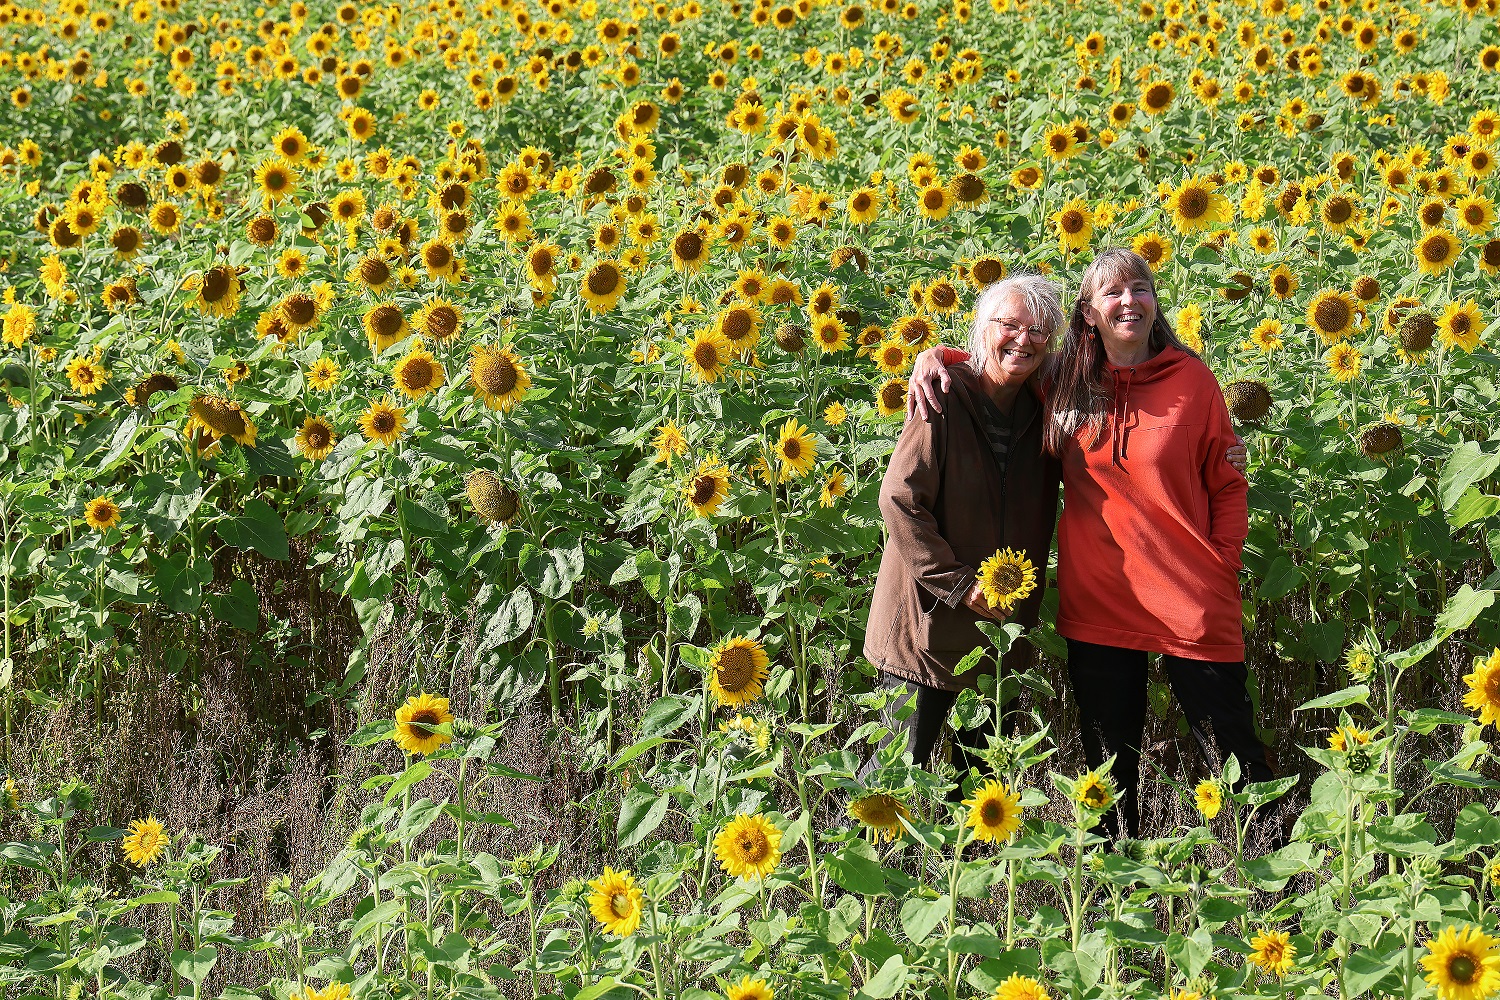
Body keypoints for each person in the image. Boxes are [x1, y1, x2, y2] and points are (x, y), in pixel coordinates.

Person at [906, 247, 1271, 839]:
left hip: (1189, 591)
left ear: (1155, 302)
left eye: (1140, 288)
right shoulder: (1063, 380)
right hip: (1099, 595)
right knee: (1106, 759)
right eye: (1112, 293)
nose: (1129, 301)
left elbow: (1227, 482)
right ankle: (1109, 876)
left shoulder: (1193, 380)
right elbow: (1001, 362)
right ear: (1088, 313)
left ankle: (1269, 863)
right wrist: (934, 357)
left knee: (1228, 743)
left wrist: (1223, 561)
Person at [862, 274, 1064, 788]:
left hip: (999, 628)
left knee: (984, 786)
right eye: (1010, 324)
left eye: (1040, 330)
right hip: (927, 624)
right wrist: (955, 582)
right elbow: (900, 499)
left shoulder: (1047, 412)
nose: (1023, 339)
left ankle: (969, 870)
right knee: (892, 775)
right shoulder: (944, 397)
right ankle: (854, 866)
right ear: (982, 328)